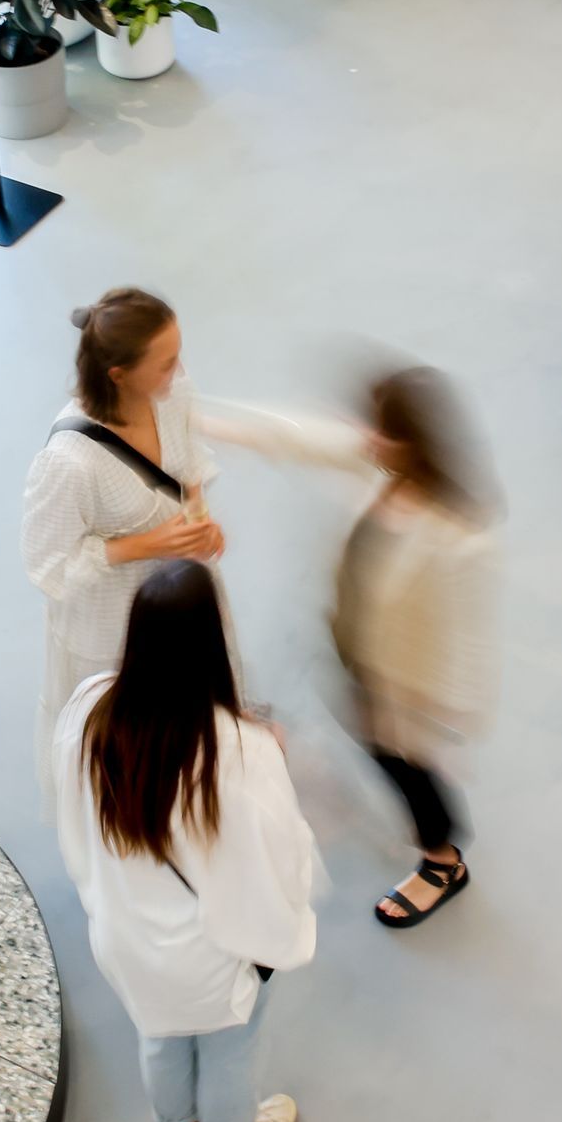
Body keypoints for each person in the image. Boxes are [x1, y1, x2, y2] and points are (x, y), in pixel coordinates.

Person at [54, 561, 316, 1122]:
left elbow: (71, 818)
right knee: (228, 1045)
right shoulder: (238, 750)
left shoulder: (90, 709)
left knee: (161, 1035)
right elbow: (277, 855)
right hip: (212, 948)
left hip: (128, 936)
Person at [208, 370, 498, 931]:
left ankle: (443, 859)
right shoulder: (379, 463)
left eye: (377, 428)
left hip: (402, 686)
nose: (361, 434)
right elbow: (296, 437)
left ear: (408, 439)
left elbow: (469, 644)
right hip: (358, 656)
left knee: (406, 766)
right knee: (387, 754)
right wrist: (203, 420)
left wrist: (436, 718)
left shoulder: (456, 533)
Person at [23, 287, 224, 780]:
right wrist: (145, 545)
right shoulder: (69, 462)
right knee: (137, 749)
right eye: (165, 362)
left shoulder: (169, 392)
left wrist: (198, 517)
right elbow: (49, 567)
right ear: (118, 375)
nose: (178, 372)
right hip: (115, 625)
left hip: (179, 592)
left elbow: (187, 463)